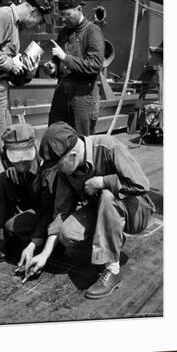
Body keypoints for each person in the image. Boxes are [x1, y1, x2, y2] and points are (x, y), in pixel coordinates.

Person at [24, 121, 155, 299]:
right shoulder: (67, 171)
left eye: (58, 165)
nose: (57, 170)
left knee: (108, 196)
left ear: (73, 155)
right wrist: (44, 255)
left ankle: (113, 269)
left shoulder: (109, 147)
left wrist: (103, 182)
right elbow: (61, 213)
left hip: (136, 211)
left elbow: (141, 184)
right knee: (67, 233)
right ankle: (112, 239)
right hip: (102, 212)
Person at [0, 0, 52, 191]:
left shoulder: (12, 23)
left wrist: (25, 67)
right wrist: (10, 64)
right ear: (33, 11)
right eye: (39, 21)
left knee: (6, 148)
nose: (37, 26)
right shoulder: (4, 16)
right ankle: (4, 211)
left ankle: (6, 203)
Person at [0, 123, 55, 267]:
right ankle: (8, 241)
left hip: (47, 211)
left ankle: (43, 243)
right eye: (15, 157)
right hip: (28, 206)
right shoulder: (11, 164)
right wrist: (10, 167)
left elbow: (50, 209)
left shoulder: (47, 167)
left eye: (25, 156)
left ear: (34, 147)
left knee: (13, 226)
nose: (21, 162)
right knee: (2, 180)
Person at [44, 0, 105, 135]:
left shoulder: (92, 31)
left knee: (80, 144)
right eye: (61, 16)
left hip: (83, 98)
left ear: (79, 9)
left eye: (67, 15)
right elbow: (59, 64)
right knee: (54, 136)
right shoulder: (63, 33)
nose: (63, 20)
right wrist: (53, 69)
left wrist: (65, 58)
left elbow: (95, 65)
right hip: (62, 95)